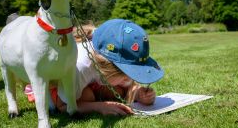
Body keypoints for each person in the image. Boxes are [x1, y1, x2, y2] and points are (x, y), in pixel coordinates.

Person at [25, 19, 164, 116]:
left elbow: (129, 85)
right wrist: (99, 107)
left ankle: (92, 90)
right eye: (128, 73)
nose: (130, 78)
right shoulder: (79, 66)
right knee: (88, 96)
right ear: (109, 68)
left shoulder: (108, 59)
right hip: (54, 87)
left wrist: (139, 93)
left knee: (118, 90)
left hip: (92, 79)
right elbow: (63, 106)